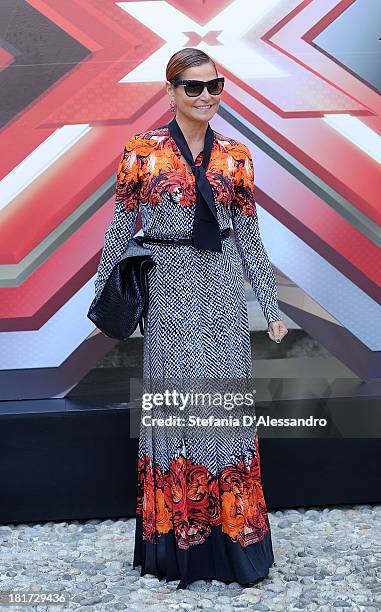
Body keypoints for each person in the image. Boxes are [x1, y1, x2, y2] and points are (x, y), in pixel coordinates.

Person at [94, 47, 288, 590]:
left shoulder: (236, 155)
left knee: (223, 417)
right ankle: (175, 544)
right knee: (176, 414)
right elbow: (122, 226)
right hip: (168, 289)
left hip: (223, 294)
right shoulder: (142, 151)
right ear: (171, 91)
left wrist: (267, 306)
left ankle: (232, 543)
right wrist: (103, 300)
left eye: (214, 85)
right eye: (193, 87)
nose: (206, 96)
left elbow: (248, 234)